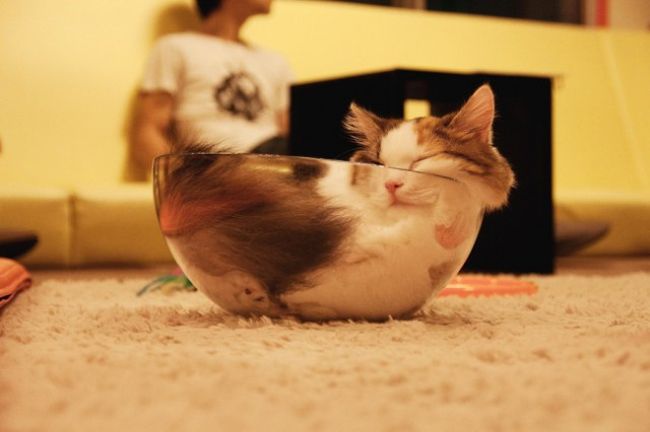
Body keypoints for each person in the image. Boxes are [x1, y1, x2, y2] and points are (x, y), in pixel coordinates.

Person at [130, 0, 293, 171]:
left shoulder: (275, 61)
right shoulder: (175, 48)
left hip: (276, 162)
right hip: (218, 166)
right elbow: (148, 131)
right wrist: (182, 178)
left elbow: (291, 130)